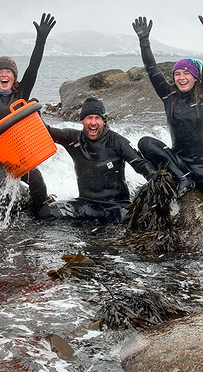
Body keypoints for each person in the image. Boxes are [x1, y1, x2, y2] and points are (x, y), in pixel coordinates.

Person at [0, 13, 55, 217]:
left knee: (38, 182)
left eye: (8, 72)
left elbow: (34, 66)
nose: (4, 75)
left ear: (14, 76)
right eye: (0, 72)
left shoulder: (21, 92)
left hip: (20, 154)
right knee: (3, 184)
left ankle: (38, 216)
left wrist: (41, 39)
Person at [43, 96, 157, 224]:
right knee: (48, 212)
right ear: (82, 121)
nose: (93, 122)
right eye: (89, 118)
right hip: (86, 205)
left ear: (103, 121)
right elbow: (46, 131)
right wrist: (33, 114)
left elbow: (140, 164)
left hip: (116, 206)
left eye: (97, 118)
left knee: (121, 225)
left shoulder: (117, 141)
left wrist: (157, 180)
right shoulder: (73, 138)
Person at [132, 15, 203, 196]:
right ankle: (184, 179)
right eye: (177, 74)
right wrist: (144, 41)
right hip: (178, 163)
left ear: (196, 77)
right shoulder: (168, 94)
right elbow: (151, 69)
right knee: (145, 142)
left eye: (186, 74)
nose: (181, 78)